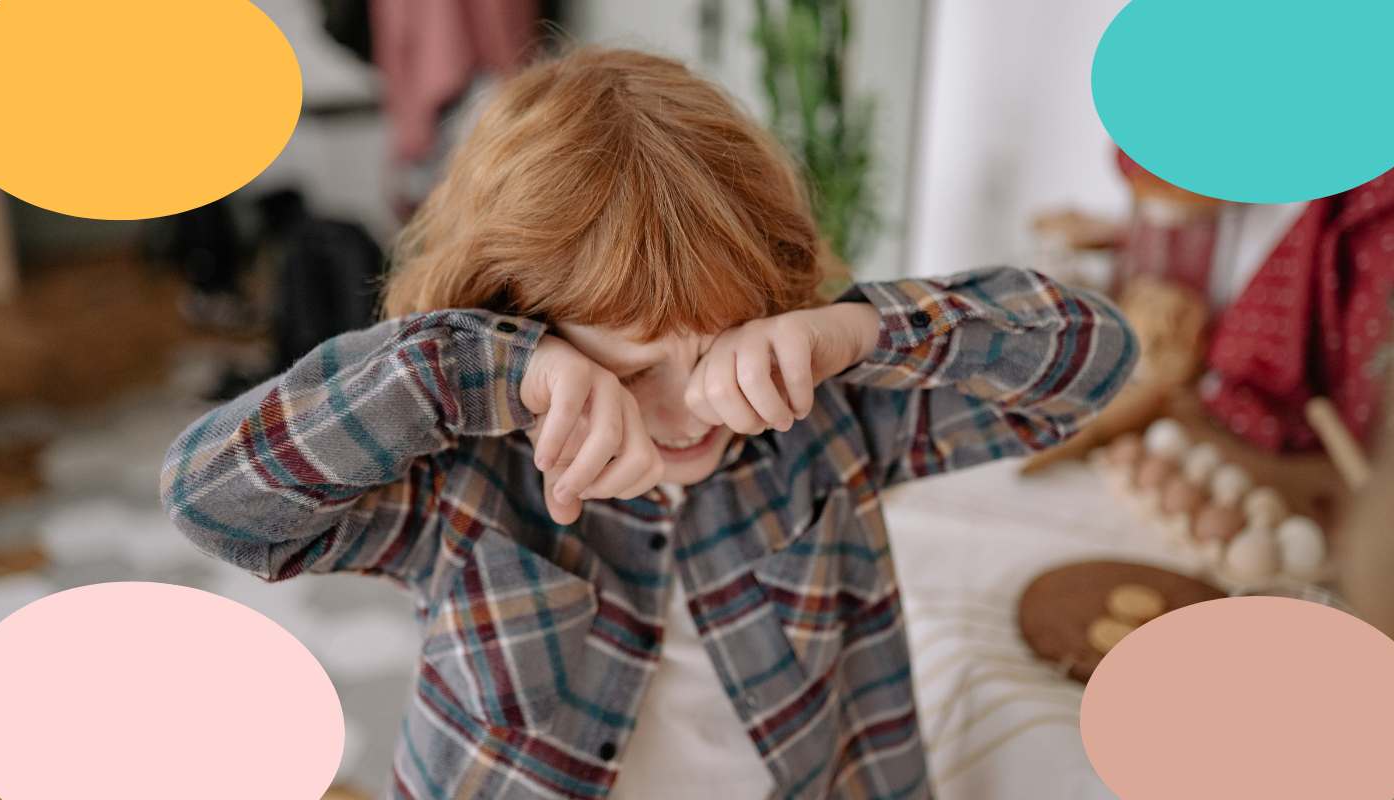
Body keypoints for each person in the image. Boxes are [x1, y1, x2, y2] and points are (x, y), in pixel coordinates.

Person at [161, 47, 1137, 800]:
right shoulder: (460, 474)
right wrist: (467, 371)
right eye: (629, 370)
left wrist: (860, 327)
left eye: (719, 345)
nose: (685, 407)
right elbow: (215, 502)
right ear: (516, 323)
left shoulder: (826, 420)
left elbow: (1092, 366)